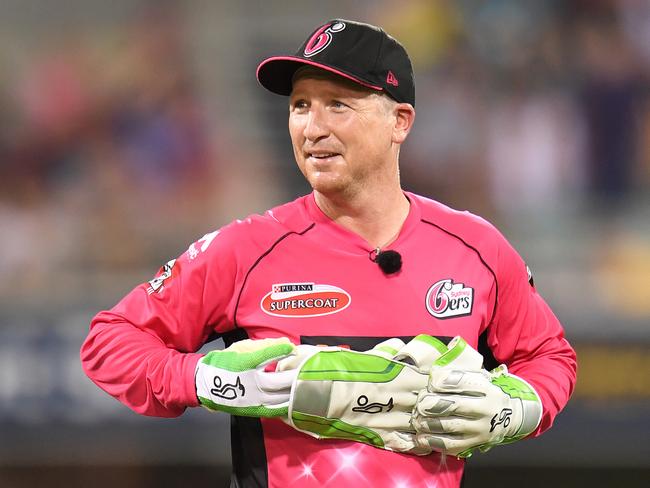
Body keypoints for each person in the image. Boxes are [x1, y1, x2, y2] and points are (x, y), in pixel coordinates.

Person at [81, 19, 577, 488]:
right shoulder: (246, 249)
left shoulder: (477, 249)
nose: (311, 128)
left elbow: (549, 357)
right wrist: (205, 380)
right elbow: (110, 342)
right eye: (300, 105)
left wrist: (514, 408)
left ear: (399, 121)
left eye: (337, 104)